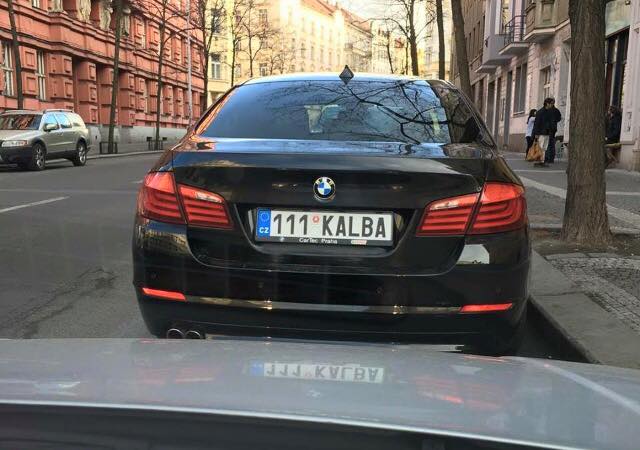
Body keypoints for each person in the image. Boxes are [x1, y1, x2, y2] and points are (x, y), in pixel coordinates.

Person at [532, 98, 562, 167]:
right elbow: (537, 123)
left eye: (552, 103)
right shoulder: (540, 112)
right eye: (551, 103)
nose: (552, 105)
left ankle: (542, 161)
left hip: (548, 132)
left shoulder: (550, 112)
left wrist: (552, 127)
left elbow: (553, 120)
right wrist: (536, 133)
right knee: (541, 146)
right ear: (547, 103)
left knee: (545, 147)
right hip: (541, 132)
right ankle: (539, 161)